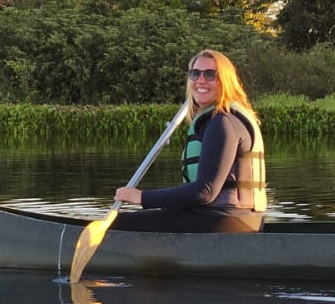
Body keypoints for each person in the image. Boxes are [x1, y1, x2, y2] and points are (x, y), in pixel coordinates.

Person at [112, 49, 267, 232]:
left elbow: (205, 191)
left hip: (225, 221)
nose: (201, 80)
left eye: (210, 74)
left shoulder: (223, 122)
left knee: (116, 225)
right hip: (232, 219)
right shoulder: (219, 119)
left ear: (224, 81)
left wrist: (143, 198)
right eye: (195, 73)